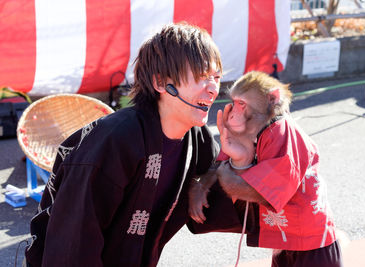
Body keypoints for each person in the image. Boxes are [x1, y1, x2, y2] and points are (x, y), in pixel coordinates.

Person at [24, 23, 241, 267]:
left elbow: (208, 209)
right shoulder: (114, 142)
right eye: (202, 77)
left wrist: (239, 160)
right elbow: (73, 247)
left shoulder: (195, 136)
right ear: (161, 82)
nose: (213, 88)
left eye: (216, 77)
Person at [214, 71, 343, 266]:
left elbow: (261, 192)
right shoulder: (256, 129)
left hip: (309, 241)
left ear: (271, 99)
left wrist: (226, 176)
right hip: (286, 237)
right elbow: (219, 167)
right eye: (234, 103)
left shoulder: (281, 131)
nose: (233, 112)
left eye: (242, 104)